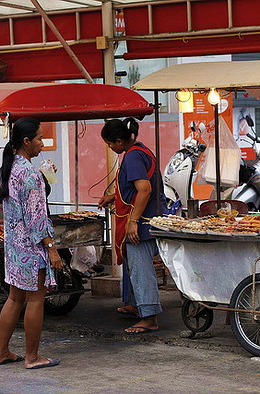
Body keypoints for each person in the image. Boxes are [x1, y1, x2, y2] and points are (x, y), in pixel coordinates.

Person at [0, 118, 63, 369]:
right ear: (26, 141)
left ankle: (1, 352)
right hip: (31, 248)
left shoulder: (11, 168)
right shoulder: (29, 174)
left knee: (14, 298)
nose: (42, 144)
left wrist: (43, 179)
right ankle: (32, 357)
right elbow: (36, 217)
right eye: (39, 138)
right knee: (36, 299)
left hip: (14, 246)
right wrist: (51, 248)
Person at [98, 117, 165, 334]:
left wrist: (133, 222)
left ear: (119, 141)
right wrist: (112, 197)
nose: (109, 147)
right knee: (134, 265)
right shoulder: (140, 150)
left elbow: (144, 189)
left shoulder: (133, 157)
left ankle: (149, 317)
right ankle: (137, 306)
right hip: (146, 217)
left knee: (141, 267)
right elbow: (134, 188)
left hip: (141, 221)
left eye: (109, 143)